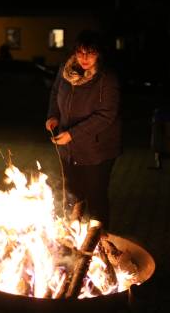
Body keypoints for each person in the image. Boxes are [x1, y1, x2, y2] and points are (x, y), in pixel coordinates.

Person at [45, 30, 121, 229]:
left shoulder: (106, 78)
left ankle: (100, 242)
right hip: (68, 150)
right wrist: (53, 115)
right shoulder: (65, 70)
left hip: (97, 150)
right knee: (72, 197)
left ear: (99, 54)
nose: (85, 58)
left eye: (90, 53)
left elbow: (106, 115)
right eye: (80, 52)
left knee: (95, 199)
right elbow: (55, 93)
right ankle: (72, 240)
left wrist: (72, 134)